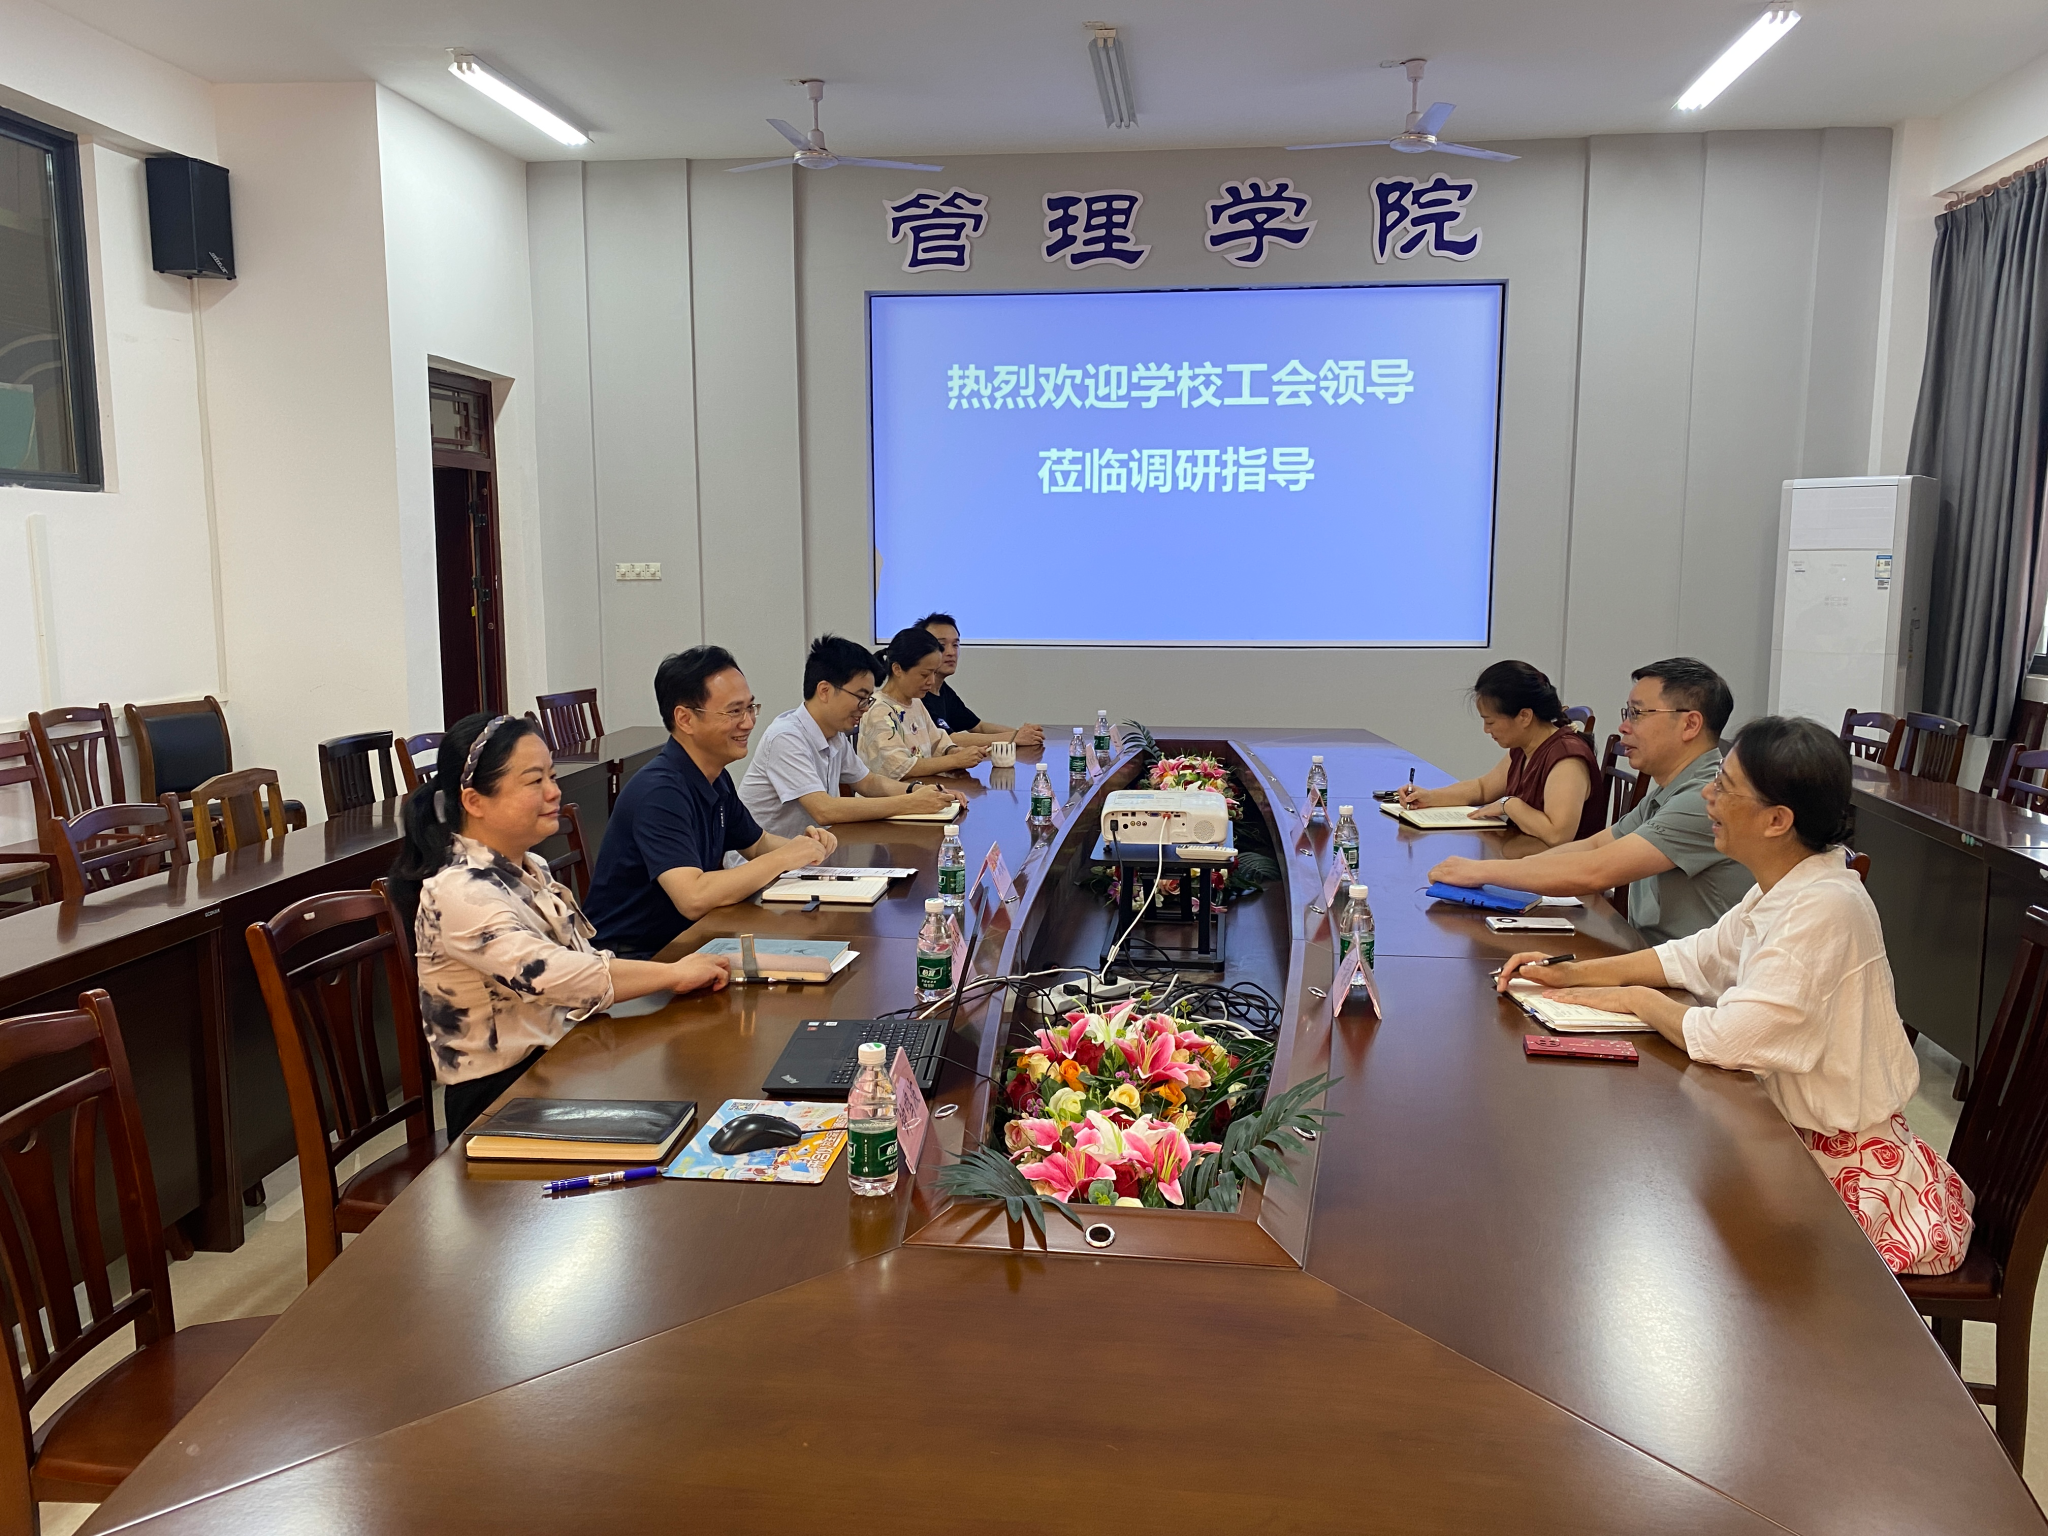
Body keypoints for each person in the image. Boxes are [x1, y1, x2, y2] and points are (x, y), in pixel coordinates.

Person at [1497, 716, 1972, 1276]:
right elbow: (1696, 956)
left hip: (1841, 1177)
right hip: (1785, 1142)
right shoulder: (1789, 886)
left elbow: (1730, 1039)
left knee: (1662, 1233)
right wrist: (1574, 976)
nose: (1709, 795)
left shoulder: (1823, 907)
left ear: (1777, 819)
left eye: (1725, 786)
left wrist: (1636, 999)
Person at [386, 713, 733, 1139]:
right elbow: (552, 974)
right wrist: (672, 974)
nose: (554, 791)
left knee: (691, 1085)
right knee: (678, 1118)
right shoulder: (458, 891)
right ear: (474, 801)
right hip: (497, 1101)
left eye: (551, 776)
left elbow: (583, 962)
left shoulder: (530, 866)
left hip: (557, 1063)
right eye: (534, 781)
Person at [1427, 657, 1754, 943]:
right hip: (1659, 955)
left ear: (1690, 724)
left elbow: (1596, 871)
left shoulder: (1704, 798)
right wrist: (1488, 873)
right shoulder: (1671, 790)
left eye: (1637, 714)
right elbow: (1594, 846)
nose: (1624, 726)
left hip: (1692, 981)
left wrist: (1484, 872)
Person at [585, 646, 839, 959]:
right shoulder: (659, 792)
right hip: (636, 957)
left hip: (688, 940)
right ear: (685, 719)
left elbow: (757, 844)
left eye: (750, 708)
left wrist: (808, 848)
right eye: (734, 712)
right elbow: (693, 897)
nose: (748, 722)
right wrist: (785, 857)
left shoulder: (715, 777)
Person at [740, 634, 964, 837]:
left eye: (868, 699)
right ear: (825, 691)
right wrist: (910, 803)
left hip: (810, 852)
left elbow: (868, 782)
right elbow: (824, 810)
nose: (865, 708)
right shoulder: (786, 737)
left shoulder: (834, 735)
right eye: (861, 697)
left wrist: (919, 790)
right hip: (765, 863)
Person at [1397, 660, 1599, 846]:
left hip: (1562, 867)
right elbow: (1483, 788)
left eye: (1491, 722)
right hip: (1527, 855)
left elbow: (1558, 835)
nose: (1486, 729)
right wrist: (1430, 797)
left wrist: (1509, 805)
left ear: (1524, 716)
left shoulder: (1567, 759)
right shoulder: (1524, 747)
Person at [857, 627, 992, 781]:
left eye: (934, 673)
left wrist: (953, 751)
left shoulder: (916, 702)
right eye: (924, 674)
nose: (931, 681)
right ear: (897, 669)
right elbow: (899, 767)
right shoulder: (879, 710)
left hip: (920, 789)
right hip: (891, 794)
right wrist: (955, 760)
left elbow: (937, 740)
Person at [916, 612, 1044, 748]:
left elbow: (978, 727)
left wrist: (1024, 733)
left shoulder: (943, 690)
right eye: (942, 645)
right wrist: (1014, 737)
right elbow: (948, 740)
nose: (951, 652)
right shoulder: (918, 694)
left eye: (955, 645)